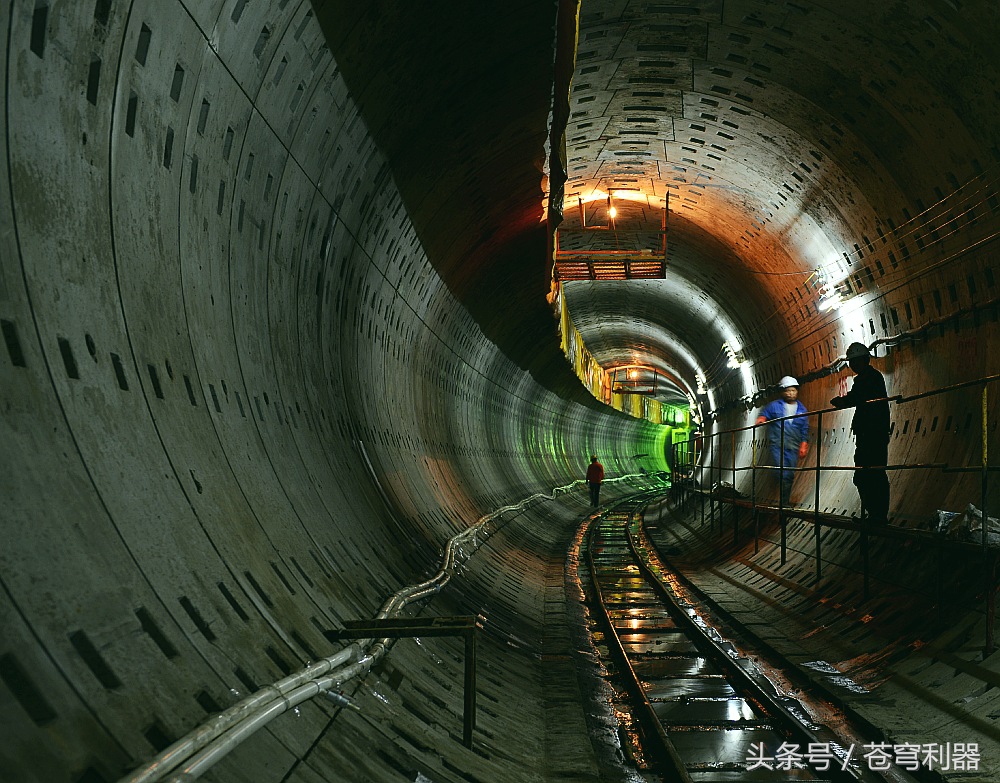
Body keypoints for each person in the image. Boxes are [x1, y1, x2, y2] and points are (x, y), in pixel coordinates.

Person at [830, 342, 891, 524]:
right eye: (851, 362)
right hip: (871, 434)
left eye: (855, 361)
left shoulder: (868, 378)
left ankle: (877, 515)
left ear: (864, 360)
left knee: (869, 474)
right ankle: (875, 514)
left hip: (872, 434)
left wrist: (840, 402)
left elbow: (857, 397)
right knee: (869, 474)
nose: (853, 365)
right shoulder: (871, 377)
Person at [756, 376, 809, 505]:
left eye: (793, 390)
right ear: (782, 392)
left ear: (797, 391)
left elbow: (804, 429)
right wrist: (762, 419)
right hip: (777, 445)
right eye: (787, 391)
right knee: (781, 471)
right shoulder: (774, 406)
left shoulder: (802, 410)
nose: (790, 393)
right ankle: (782, 500)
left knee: (789, 475)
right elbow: (764, 414)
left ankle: (784, 503)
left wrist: (804, 444)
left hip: (793, 446)